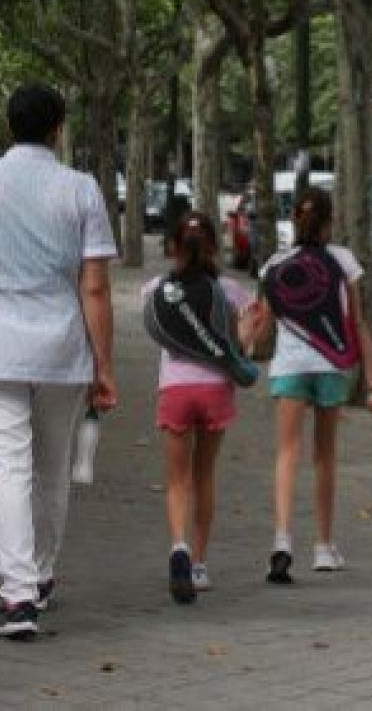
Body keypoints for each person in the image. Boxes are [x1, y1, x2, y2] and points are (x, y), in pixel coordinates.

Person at [0, 83, 118, 639]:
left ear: (9, 126)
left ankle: (18, 599)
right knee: (52, 466)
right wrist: (104, 365)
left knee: (5, 466)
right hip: (60, 346)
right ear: (58, 129)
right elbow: (95, 288)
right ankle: (39, 574)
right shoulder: (82, 189)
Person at [245, 187, 372, 584]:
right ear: (330, 222)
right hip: (331, 366)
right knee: (325, 456)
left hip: (290, 366)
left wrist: (242, 342)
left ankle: (282, 540)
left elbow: (263, 329)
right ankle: (323, 547)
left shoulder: (276, 264)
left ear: (294, 220)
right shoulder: (343, 261)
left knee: (286, 453)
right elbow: (356, 323)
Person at [142, 212, 254, 604]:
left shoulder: (156, 288)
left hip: (174, 388)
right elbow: (240, 344)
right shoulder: (229, 290)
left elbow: (157, 329)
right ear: (214, 246)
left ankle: (179, 547)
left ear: (172, 247)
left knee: (177, 480)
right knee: (204, 475)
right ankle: (200, 565)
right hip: (215, 390)